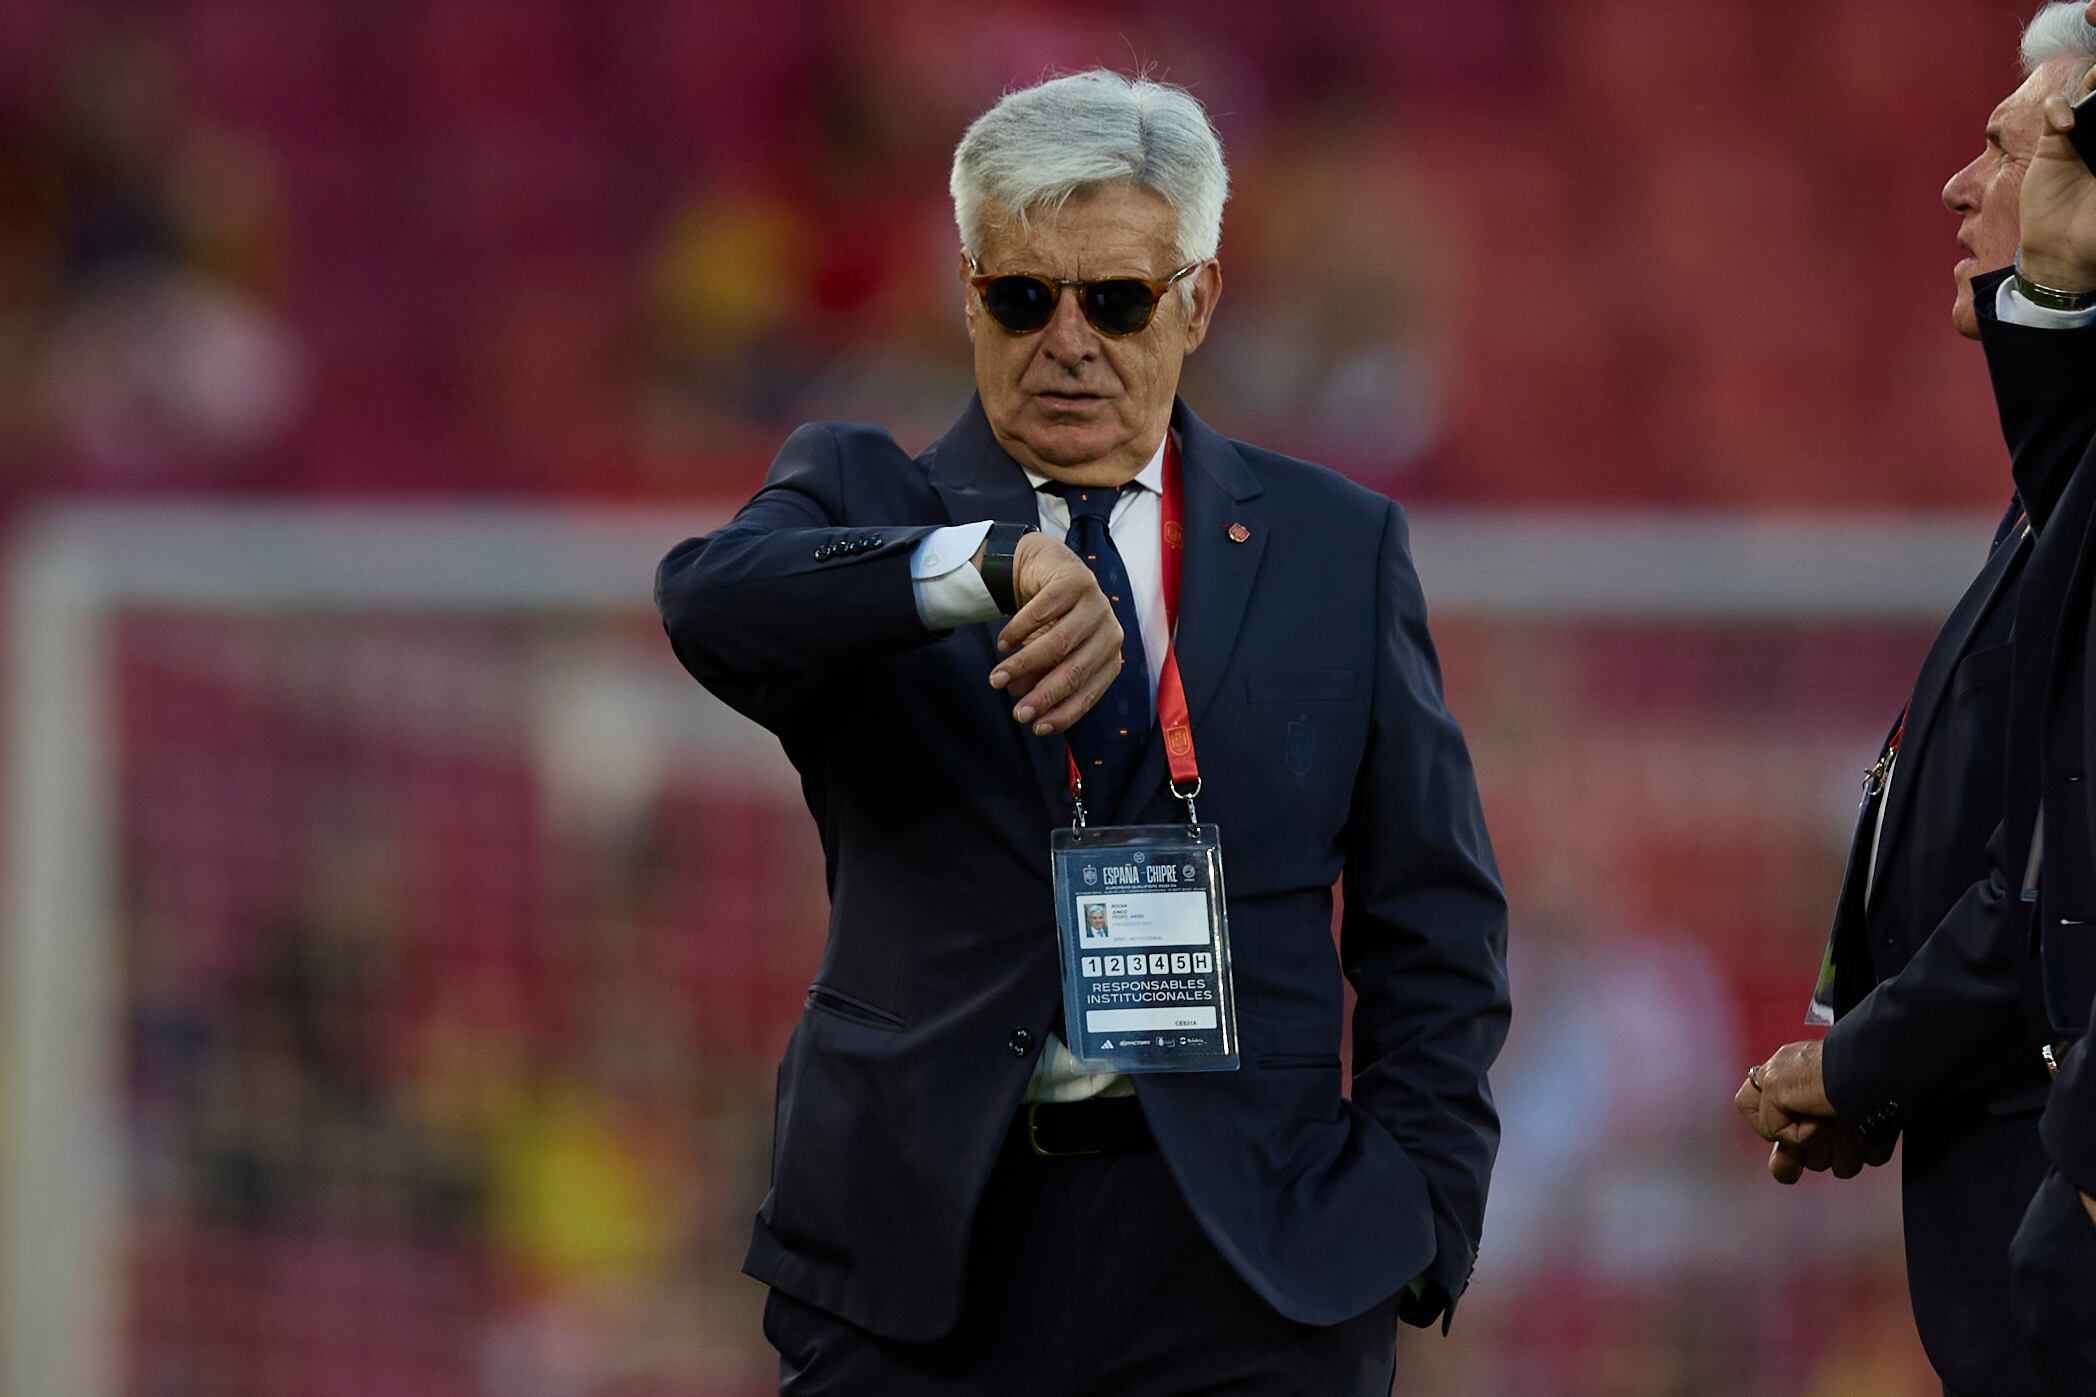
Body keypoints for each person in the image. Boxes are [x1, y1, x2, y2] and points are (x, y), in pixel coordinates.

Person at [656, 70, 1508, 1396]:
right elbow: (709, 598)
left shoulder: (1339, 545)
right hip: (920, 1269)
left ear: (1199, 302)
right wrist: (978, 564)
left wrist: (1419, 1217)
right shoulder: (863, 495)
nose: (1069, 340)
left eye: (1116, 300)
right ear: (967, 295)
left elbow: (1435, 919)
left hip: (1251, 1269)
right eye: (1021, 297)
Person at [1732, 10, 2096, 1394]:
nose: (1959, 185)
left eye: (2006, 152)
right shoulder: (2051, 494)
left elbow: (2057, 876)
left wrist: (1869, 1060)